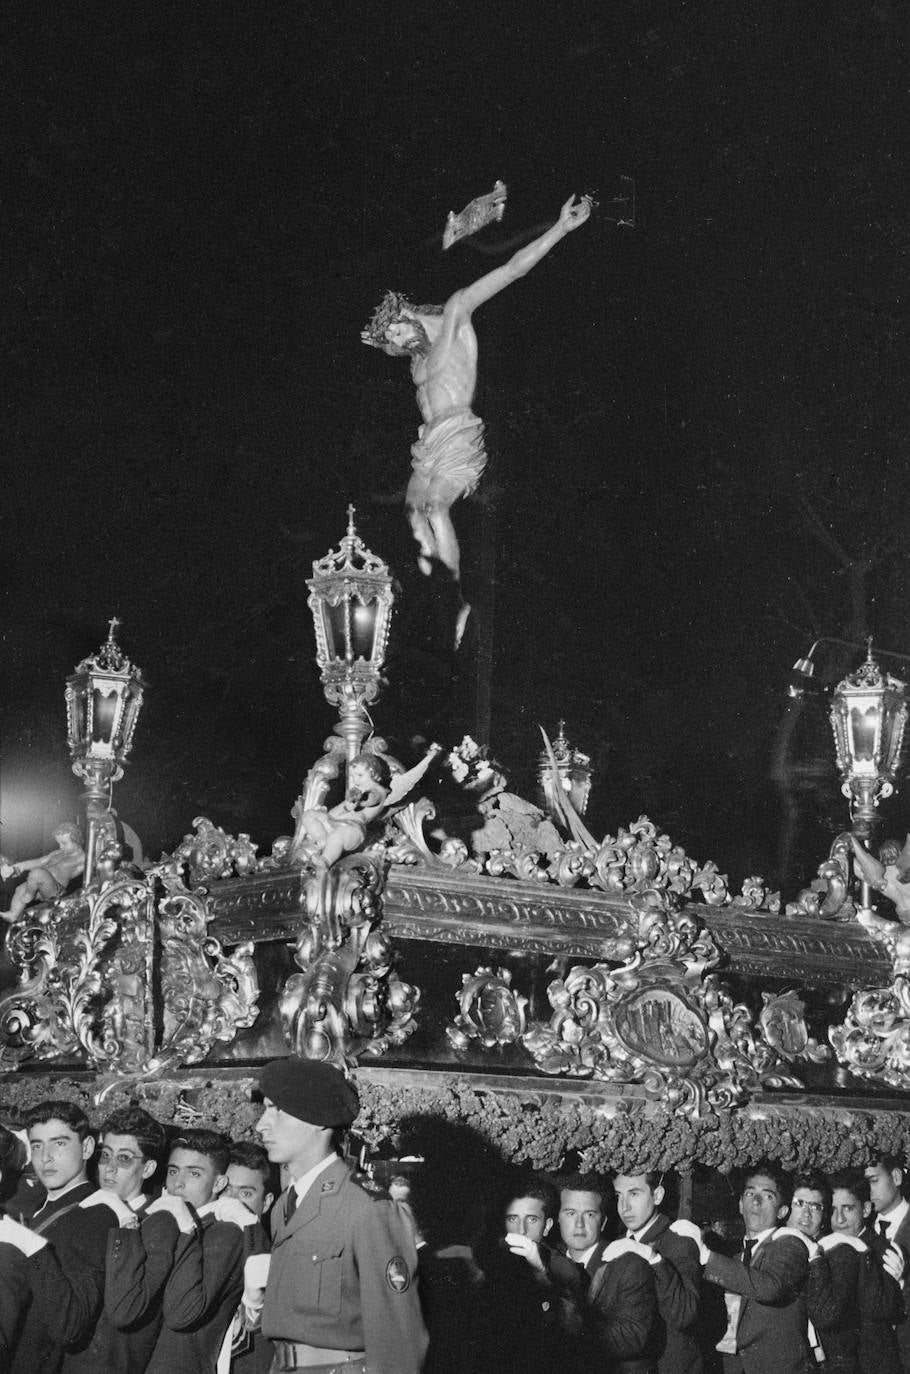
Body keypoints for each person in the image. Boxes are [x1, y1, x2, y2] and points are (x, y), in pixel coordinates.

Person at [362, 194, 592, 597]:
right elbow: (399, 345)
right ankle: (431, 591)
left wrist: (558, 229)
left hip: (458, 433)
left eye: (397, 330)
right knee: (414, 513)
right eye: (393, 341)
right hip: (429, 440)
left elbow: (510, 270)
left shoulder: (455, 315)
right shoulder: (416, 357)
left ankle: (455, 599)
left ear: (409, 313)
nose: (398, 342)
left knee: (436, 507)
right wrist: (380, 340)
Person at [249, 1056, 427, 1374]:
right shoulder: (284, 1207)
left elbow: (398, 1343)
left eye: (276, 1109)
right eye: (264, 1109)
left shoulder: (367, 1207)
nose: (262, 1124)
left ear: (319, 1119)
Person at [8, 1099, 125, 1374]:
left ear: (86, 1148)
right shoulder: (39, 1208)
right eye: (37, 1145)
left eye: (59, 1143)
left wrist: (29, 1245)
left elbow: (70, 1326)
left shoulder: (95, 1216)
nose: (45, 1157)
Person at [137, 1128, 268, 1374]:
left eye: (194, 1173)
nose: (178, 1183)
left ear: (218, 1183)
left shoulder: (224, 1233)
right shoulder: (162, 1221)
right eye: (173, 1171)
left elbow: (182, 1313)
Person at [682, 1164, 812, 1374]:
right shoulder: (733, 1257)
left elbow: (770, 1287)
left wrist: (706, 1256)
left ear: (782, 1211)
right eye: (750, 1193)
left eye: (767, 1196)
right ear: (741, 1204)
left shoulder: (790, 1246)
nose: (756, 1201)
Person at [558, 1172, 661, 1374]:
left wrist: (571, 1327)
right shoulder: (551, 1262)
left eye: (589, 1214)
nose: (579, 1224)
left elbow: (633, 1336)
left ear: (603, 1222)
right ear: (558, 1219)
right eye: (570, 1213)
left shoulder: (628, 1264)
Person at [613, 1170, 704, 1374]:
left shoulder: (678, 1240)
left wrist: (654, 1259)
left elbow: (685, 1314)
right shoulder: (618, 1243)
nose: (624, 1206)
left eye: (634, 1194)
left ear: (657, 1195)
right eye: (619, 1195)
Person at [830, 1170, 904, 1374]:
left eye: (848, 1209)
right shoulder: (826, 1247)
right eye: (833, 1209)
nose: (839, 1219)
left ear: (865, 1210)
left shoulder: (883, 1251)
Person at [294, 754, 392, 868]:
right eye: (353, 776)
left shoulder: (378, 791)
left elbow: (372, 798)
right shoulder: (358, 789)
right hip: (331, 821)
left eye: (360, 775)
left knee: (336, 837)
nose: (356, 779)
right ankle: (323, 840)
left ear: (373, 773)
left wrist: (360, 798)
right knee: (308, 815)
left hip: (351, 829)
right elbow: (347, 806)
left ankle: (325, 861)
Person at [1, 823, 85, 923]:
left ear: (77, 841)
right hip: (38, 885)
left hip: (56, 890)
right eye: (59, 843)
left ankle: (29, 894)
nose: (61, 847)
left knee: (36, 873)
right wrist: (16, 867)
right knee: (19, 889)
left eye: (64, 843)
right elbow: (39, 862)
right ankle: (13, 914)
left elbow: (96, 858)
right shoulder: (57, 853)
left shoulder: (82, 857)